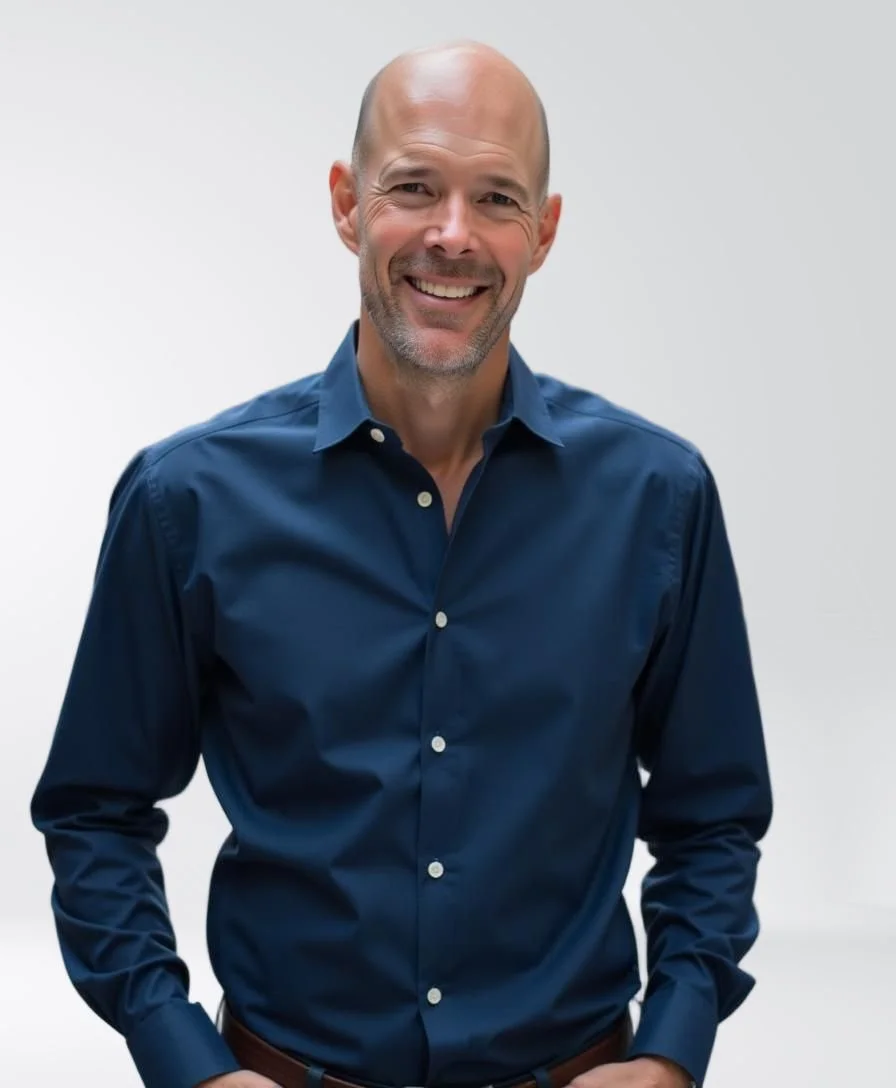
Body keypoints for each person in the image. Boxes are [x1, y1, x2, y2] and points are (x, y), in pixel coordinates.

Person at [31, 38, 772, 1088]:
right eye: (413, 187)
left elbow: (713, 813)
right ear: (345, 203)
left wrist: (670, 1050)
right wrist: (183, 1058)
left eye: (497, 198)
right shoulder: (184, 498)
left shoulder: (656, 497)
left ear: (545, 231)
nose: (452, 236)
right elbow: (93, 809)